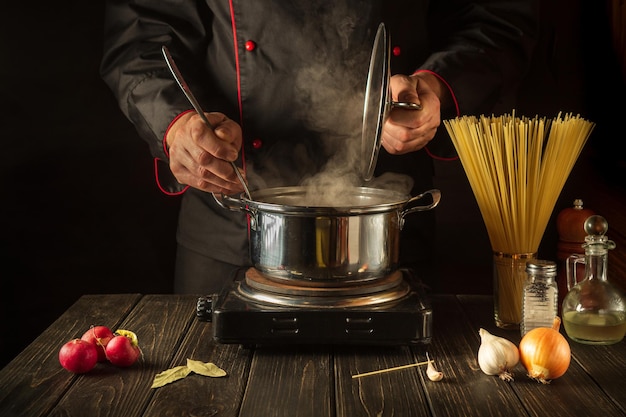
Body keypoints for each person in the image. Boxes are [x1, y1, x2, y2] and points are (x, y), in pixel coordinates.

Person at [101, 1, 538, 294]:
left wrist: (437, 87)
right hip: (233, 221)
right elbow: (140, 35)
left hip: (384, 223)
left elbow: (498, 16)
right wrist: (176, 125)